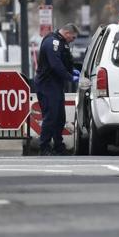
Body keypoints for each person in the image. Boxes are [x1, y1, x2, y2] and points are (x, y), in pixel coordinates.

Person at [34, 24, 80, 155]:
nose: (73, 40)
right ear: (67, 33)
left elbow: (64, 62)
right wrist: (70, 77)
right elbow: (55, 64)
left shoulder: (61, 42)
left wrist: (71, 70)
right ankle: (44, 147)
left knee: (60, 117)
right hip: (47, 85)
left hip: (56, 85)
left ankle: (58, 146)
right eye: (73, 37)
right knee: (51, 117)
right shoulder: (52, 42)